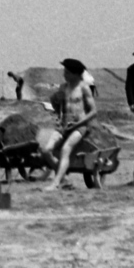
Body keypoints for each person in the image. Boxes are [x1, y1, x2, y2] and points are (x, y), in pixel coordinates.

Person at [44, 58, 98, 191]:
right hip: (64, 126)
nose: (64, 74)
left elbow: (93, 111)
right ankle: (64, 180)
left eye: (67, 72)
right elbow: (56, 103)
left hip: (79, 126)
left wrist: (79, 123)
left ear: (75, 74)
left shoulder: (84, 88)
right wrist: (58, 115)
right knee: (45, 150)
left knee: (65, 150)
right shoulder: (63, 87)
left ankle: (55, 183)